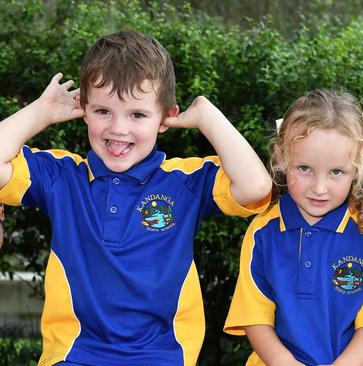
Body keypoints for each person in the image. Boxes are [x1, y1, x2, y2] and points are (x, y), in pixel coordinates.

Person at [0, 31, 272, 366]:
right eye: (102, 111)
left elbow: (257, 187)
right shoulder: (61, 176)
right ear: (83, 109)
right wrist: (41, 111)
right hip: (74, 355)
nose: (118, 128)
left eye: (137, 115)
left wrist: (206, 116)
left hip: (163, 355)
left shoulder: (183, 182)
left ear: (165, 118)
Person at [224, 89, 363, 365]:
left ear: (359, 168)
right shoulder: (263, 231)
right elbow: (254, 316)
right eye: (305, 169)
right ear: (281, 158)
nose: (319, 188)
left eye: (336, 172)